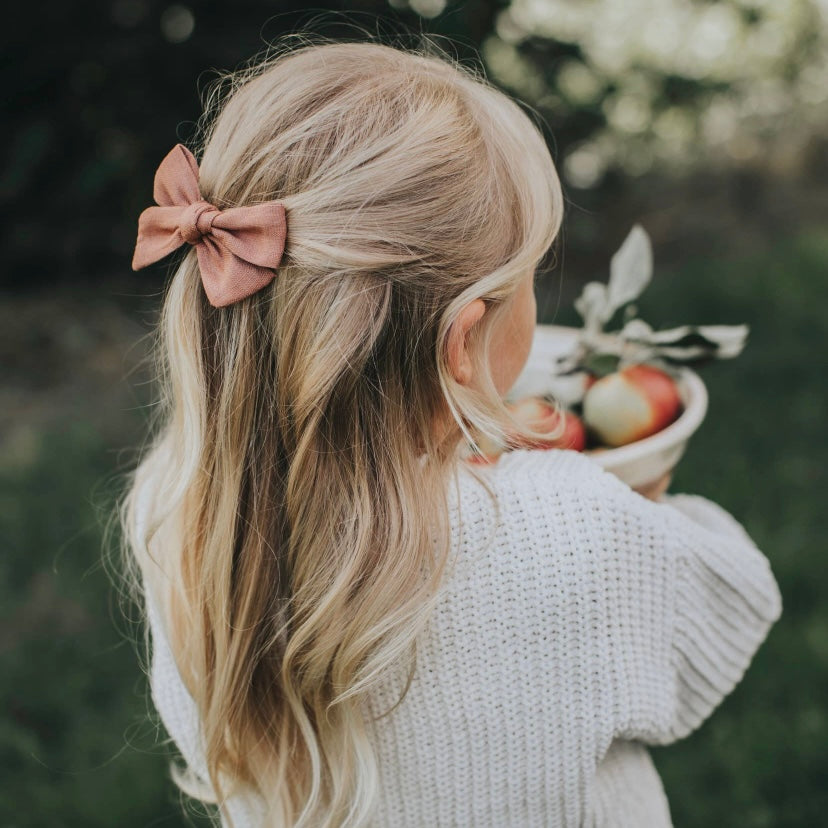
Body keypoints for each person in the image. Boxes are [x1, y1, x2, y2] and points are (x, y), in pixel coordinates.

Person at [121, 38, 782, 828]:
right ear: (463, 345)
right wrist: (647, 496)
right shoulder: (569, 525)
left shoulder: (178, 508)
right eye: (531, 276)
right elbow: (735, 598)